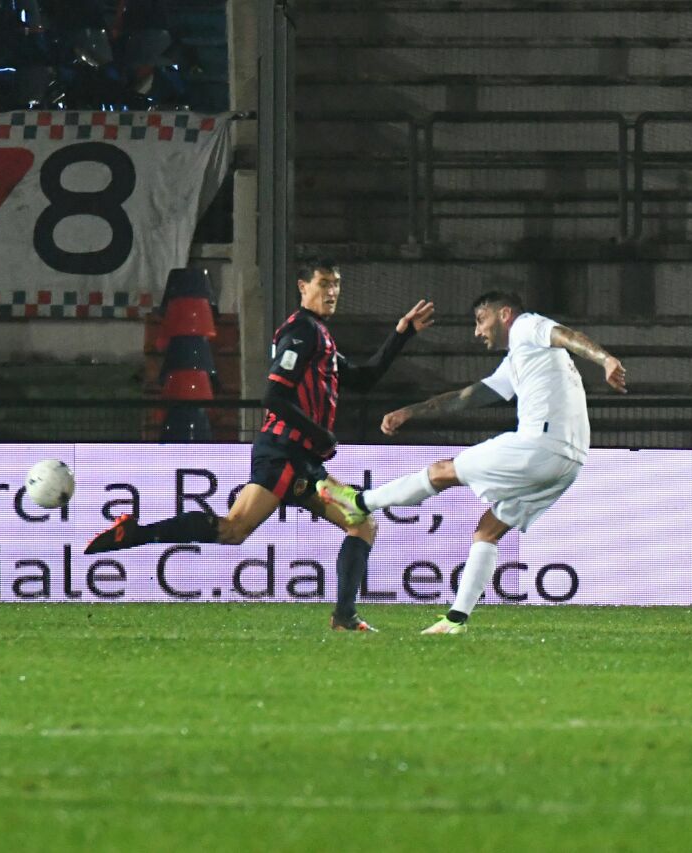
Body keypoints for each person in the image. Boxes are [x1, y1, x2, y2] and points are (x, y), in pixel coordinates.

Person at [86, 258, 435, 632]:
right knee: (237, 529)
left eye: (336, 284)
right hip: (285, 454)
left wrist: (401, 334)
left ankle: (344, 617)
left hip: (301, 460)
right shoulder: (302, 333)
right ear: (303, 287)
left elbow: (363, 379)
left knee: (357, 523)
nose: (332, 292)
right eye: (323, 284)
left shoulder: (319, 336)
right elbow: (274, 397)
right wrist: (319, 435)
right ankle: (136, 533)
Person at [318, 290, 627, 634]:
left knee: (442, 472)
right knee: (488, 529)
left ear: (505, 314)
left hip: (540, 445)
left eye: (481, 321)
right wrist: (411, 411)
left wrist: (605, 359)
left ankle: (358, 501)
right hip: (570, 462)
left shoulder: (527, 326)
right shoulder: (519, 360)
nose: (478, 332)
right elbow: (467, 398)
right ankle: (455, 620)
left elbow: (566, 336)